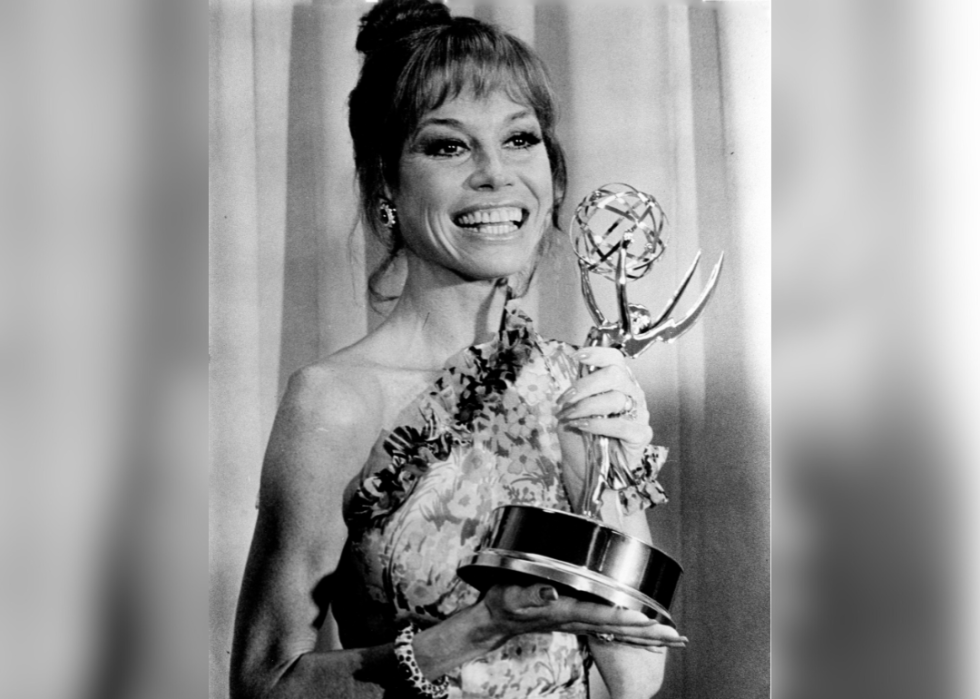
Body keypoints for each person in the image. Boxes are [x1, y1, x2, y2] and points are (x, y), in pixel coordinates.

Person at [231, 2, 687, 697]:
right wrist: (478, 627)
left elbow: (635, 676)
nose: (495, 174)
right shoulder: (334, 402)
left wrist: (602, 474)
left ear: (554, 177)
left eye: (520, 139)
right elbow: (265, 684)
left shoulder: (581, 380)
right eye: (448, 145)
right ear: (385, 182)